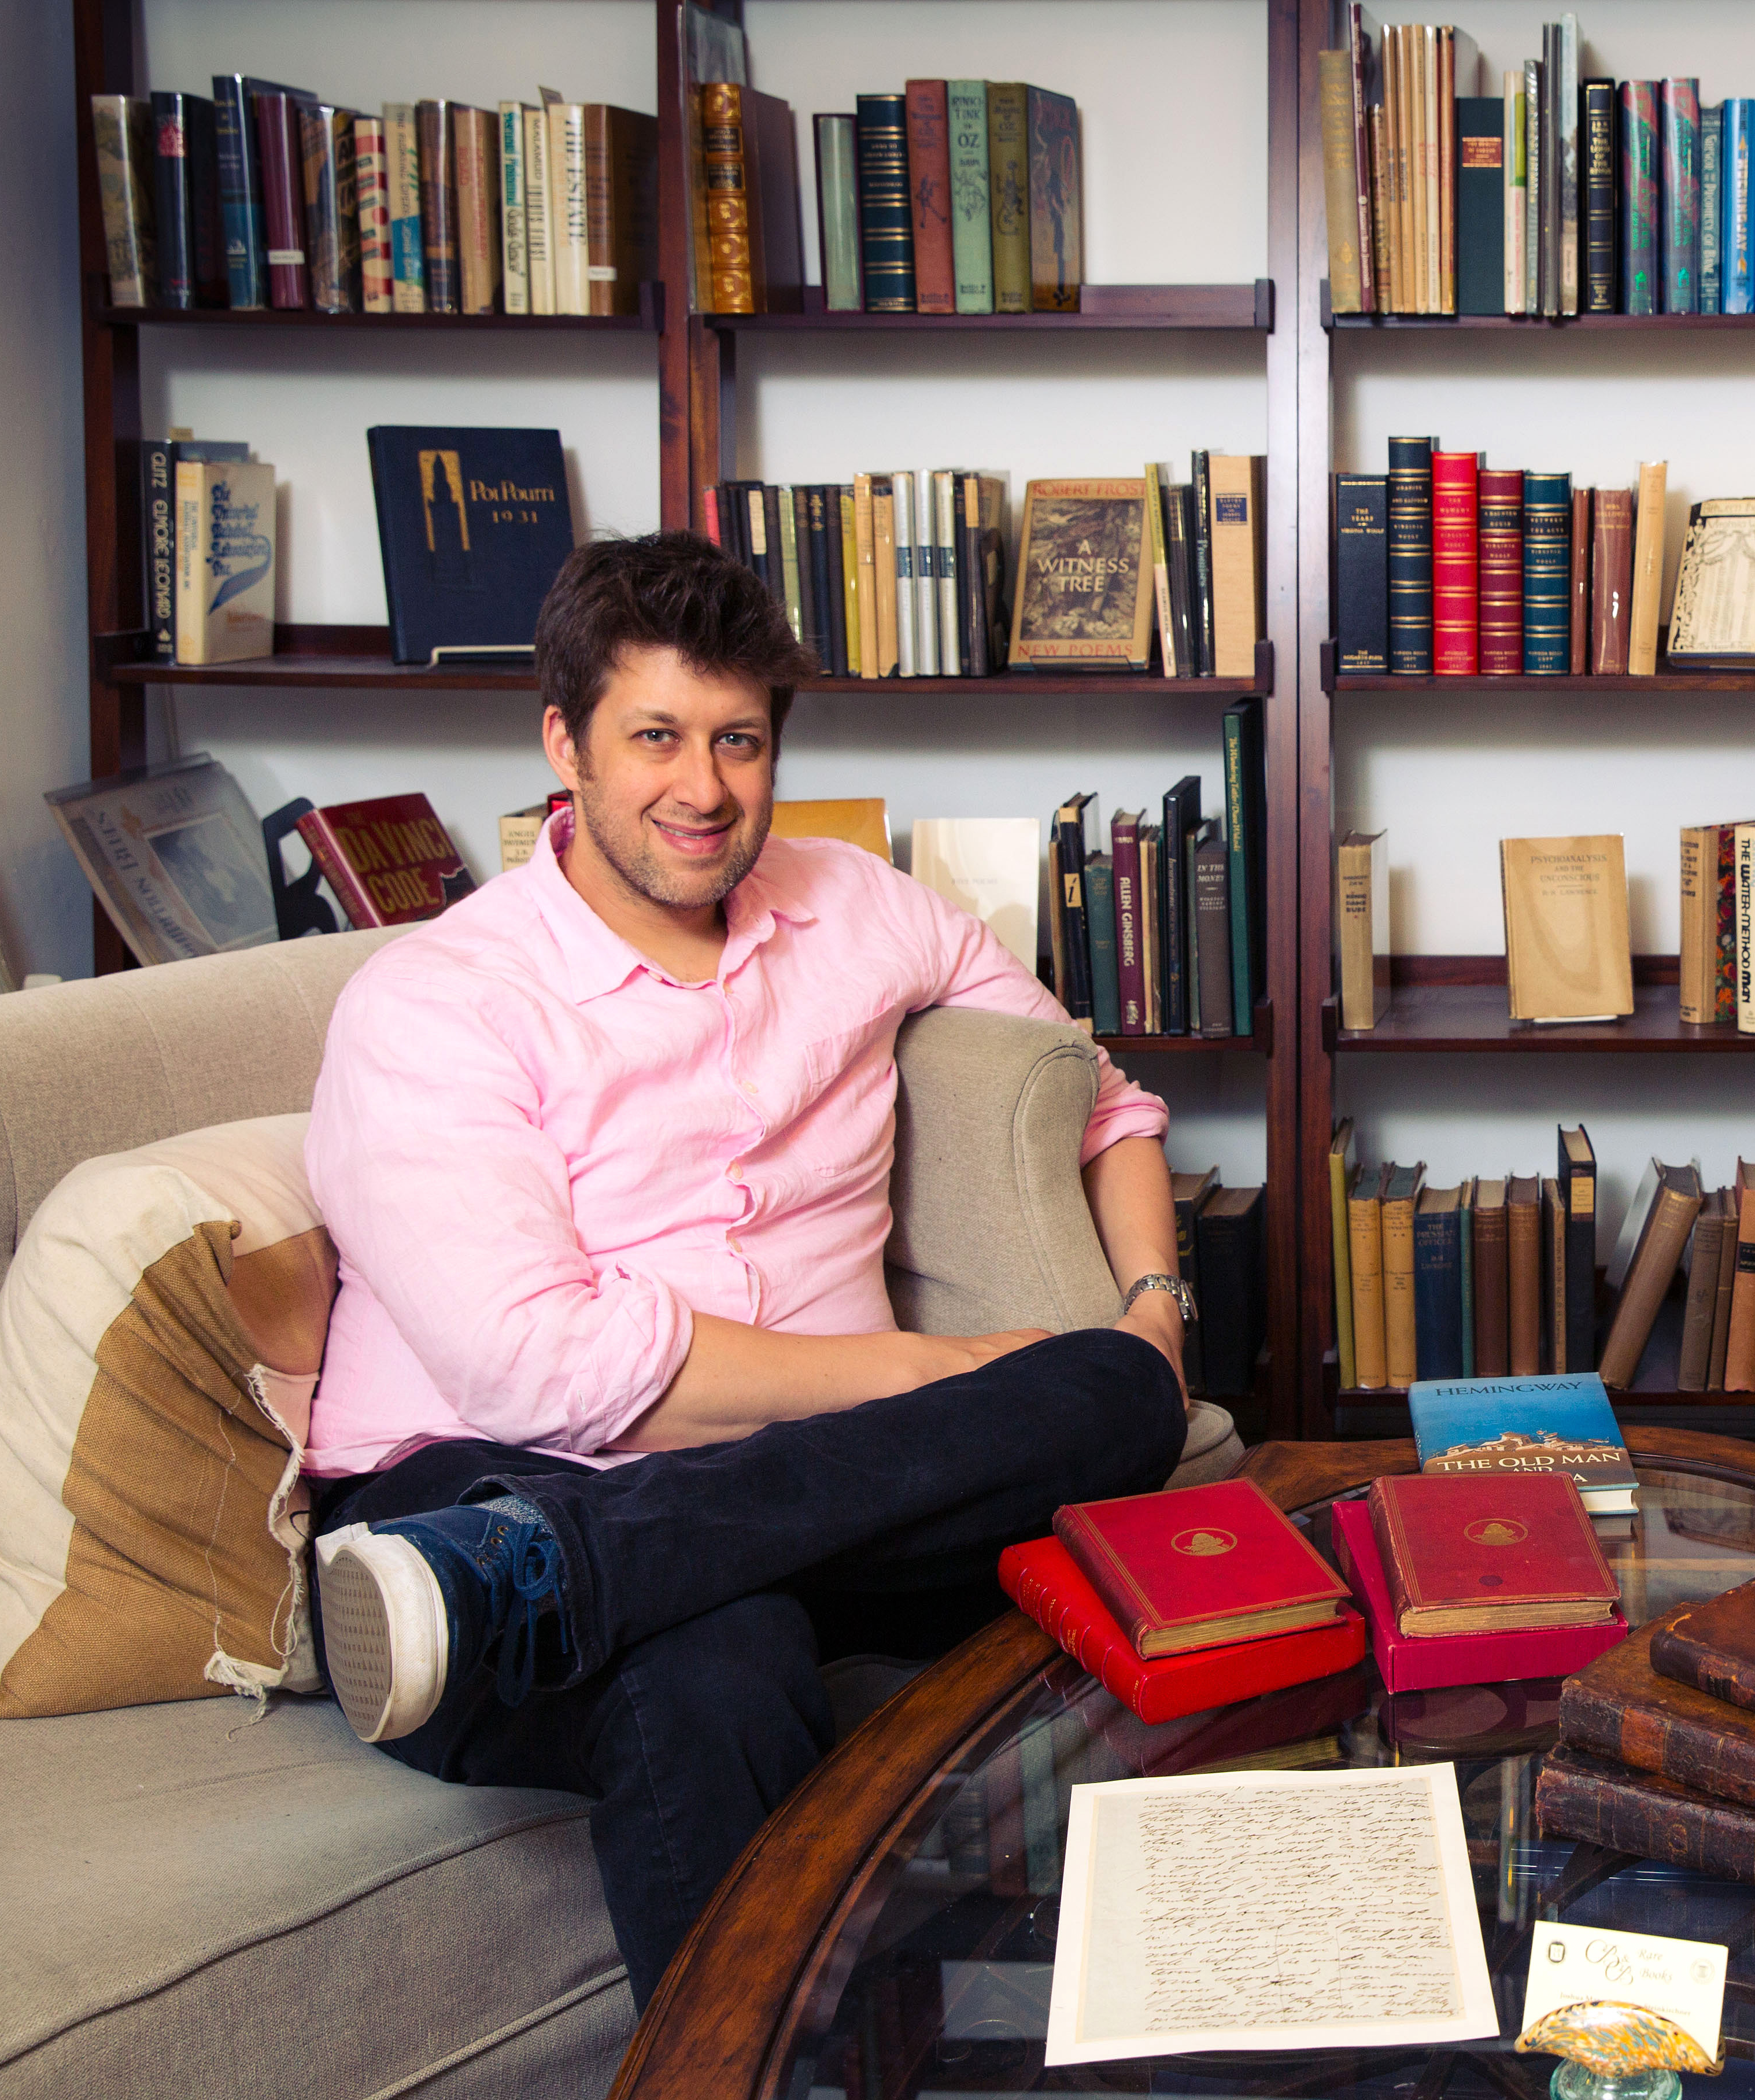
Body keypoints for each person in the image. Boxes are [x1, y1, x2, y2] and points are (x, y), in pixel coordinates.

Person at [301, 531, 1191, 2005]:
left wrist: (1156, 1306)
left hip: (804, 1479)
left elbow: (1097, 1095)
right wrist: (920, 1375)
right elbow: (544, 1365)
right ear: (562, 747)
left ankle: (551, 1583)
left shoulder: (857, 906)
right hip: (466, 1485)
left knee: (1115, 1390)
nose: (702, 789)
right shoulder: (436, 1000)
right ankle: (528, 1560)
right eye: (653, 736)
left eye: (739, 741)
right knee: (713, 1669)